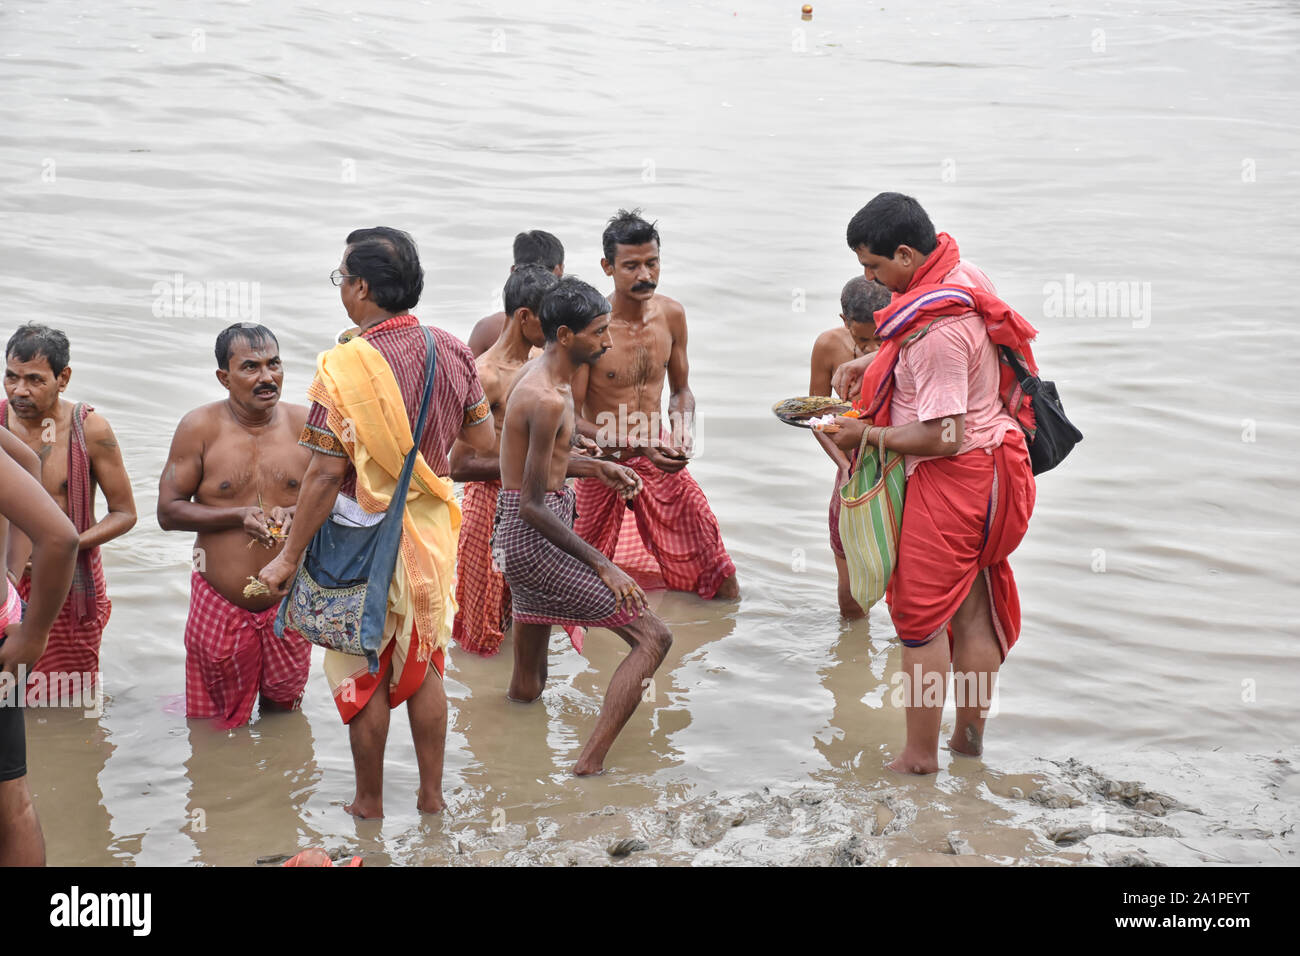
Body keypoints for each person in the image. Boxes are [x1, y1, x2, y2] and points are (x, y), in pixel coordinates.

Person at [258, 226, 495, 818]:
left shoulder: (344, 367)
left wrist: (288, 557)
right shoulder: (452, 348)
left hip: (363, 542)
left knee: (367, 667)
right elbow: (480, 441)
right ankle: (432, 798)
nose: (341, 289)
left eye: (343, 278)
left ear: (361, 287)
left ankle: (368, 803)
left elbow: (319, 477)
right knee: (426, 662)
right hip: (435, 537)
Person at [828, 192, 1038, 774]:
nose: (870, 279)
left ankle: (918, 757)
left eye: (874, 267)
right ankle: (967, 743)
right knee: (973, 610)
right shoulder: (960, 273)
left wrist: (865, 438)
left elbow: (944, 433)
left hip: (956, 477)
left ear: (903, 253)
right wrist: (872, 362)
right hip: (1000, 468)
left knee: (919, 624)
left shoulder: (937, 331)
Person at [493, 276, 671, 776]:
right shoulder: (546, 398)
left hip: (518, 537)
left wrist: (598, 467)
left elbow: (543, 466)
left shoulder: (543, 375)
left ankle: (509, 755)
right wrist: (604, 565)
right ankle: (588, 766)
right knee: (654, 638)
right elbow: (531, 503)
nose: (607, 342)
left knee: (529, 677)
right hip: (532, 538)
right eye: (598, 333)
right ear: (567, 335)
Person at [571, 209, 738, 600]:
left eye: (652, 262)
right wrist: (634, 445)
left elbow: (681, 391)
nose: (644, 275)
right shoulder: (592, 329)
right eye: (631, 266)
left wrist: (681, 431)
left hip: (658, 453)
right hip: (602, 461)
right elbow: (571, 419)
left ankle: (717, 630)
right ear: (607, 267)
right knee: (582, 573)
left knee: (714, 564)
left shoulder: (672, 315)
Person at [157, 324, 314, 729]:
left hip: (288, 603)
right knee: (213, 727)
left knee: (286, 717)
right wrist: (236, 515)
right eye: (250, 367)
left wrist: (296, 511)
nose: (266, 377)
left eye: (273, 364)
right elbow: (168, 511)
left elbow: (342, 496)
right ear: (223, 377)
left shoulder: (306, 424)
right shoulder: (199, 428)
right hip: (219, 603)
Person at [1, 324, 136, 703]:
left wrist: (65, 545)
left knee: (68, 696)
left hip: (67, 577)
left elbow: (124, 513)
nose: (19, 391)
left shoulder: (90, 429)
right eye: (11, 377)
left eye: (34, 380)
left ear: (64, 378)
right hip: (4, 578)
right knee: (7, 689)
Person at [0, 429, 79, 866]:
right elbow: (29, 461)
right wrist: (10, 574)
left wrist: (35, 633)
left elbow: (61, 538)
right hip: (6, 622)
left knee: (10, 797)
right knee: (11, 795)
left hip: (7, 641)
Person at [809, 277, 888, 619]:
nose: (873, 350)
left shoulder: (904, 345)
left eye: (879, 338)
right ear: (844, 322)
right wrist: (843, 466)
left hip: (898, 456)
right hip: (853, 463)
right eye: (862, 340)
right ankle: (852, 653)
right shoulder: (828, 346)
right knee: (848, 564)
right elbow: (816, 416)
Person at [467, 230, 565, 357]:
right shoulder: (572, 330)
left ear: (513, 271)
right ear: (559, 270)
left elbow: (464, 373)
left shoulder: (486, 328)